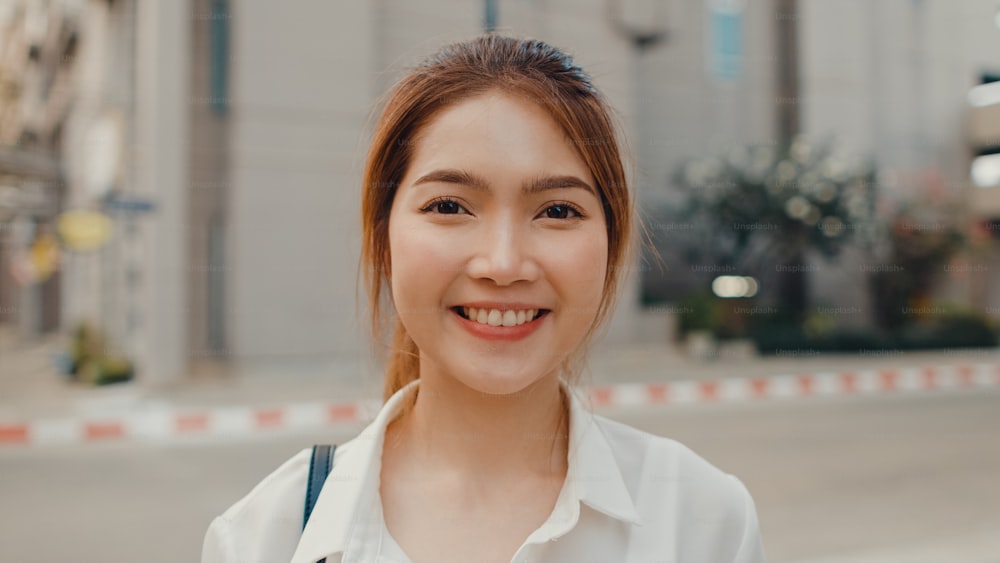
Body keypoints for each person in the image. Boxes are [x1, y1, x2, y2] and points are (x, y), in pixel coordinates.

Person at [202, 33, 766, 563]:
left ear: (611, 246)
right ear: (383, 238)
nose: (502, 265)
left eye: (557, 211)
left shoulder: (702, 520)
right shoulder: (265, 537)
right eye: (449, 206)